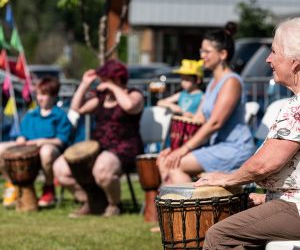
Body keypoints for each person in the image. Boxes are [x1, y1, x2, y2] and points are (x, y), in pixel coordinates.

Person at [194, 18, 300, 249]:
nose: (268, 59)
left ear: (294, 62)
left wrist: (226, 178)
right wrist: (268, 197)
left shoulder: (298, 107)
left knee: (219, 236)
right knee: (242, 240)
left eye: (274, 52)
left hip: (296, 208)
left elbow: (265, 165)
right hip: (291, 202)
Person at [158, 27, 256, 184]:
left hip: (234, 148)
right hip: (216, 147)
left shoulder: (231, 82)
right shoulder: (211, 83)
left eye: (207, 51)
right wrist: (175, 148)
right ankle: (171, 207)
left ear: (222, 54)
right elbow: (199, 118)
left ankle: (189, 208)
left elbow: (215, 123)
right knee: (167, 159)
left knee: (176, 164)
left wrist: (183, 150)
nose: (202, 56)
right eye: (201, 51)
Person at [53, 59, 144, 217]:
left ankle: (113, 204)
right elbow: (76, 108)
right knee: (60, 168)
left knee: (102, 169)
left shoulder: (134, 94)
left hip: (125, 148)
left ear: (116, 78)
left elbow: (130, 106)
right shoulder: (102, 98)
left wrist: (113, 87)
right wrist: (84, 84)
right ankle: (93, 200)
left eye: (105, 79)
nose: (101, 83)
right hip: (99, 147)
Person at [0, 76, 73, 208]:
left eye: (44, 95)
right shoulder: (31, 114)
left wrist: (43, 141)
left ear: (54, 96)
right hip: (28, 149)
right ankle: (13, 184)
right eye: (39, 94)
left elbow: (62, 140)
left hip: (51, 152)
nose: (40, 98)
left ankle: (49, 188)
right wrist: (21, 138)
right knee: (1, 149)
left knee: (46, 151)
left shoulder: (60, 115)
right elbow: (22, 134)